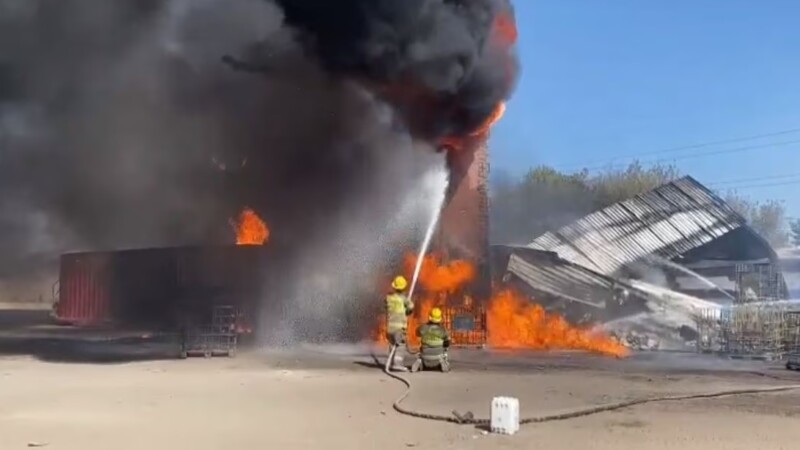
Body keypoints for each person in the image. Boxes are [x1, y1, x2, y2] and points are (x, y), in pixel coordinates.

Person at [384, 275, 414, 372]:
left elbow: (386, 305)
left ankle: (392, 363)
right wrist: (408, 306)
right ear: (404, 288)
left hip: (389, 328)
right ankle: (397, 364)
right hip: (399, 328)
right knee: (400, 345)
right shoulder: (404, 299)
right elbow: (410, 308)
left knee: (393, 345)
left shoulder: (388, 298)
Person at [411, 307, 451, 373]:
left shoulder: (422, 328)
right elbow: (447, 343)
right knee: (446, 344)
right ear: (440, 319)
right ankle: (443, 361)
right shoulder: (443, 330)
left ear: (430, 317)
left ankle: (420, 362)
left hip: (425, 353)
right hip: (439, 354)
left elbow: (417, 333)